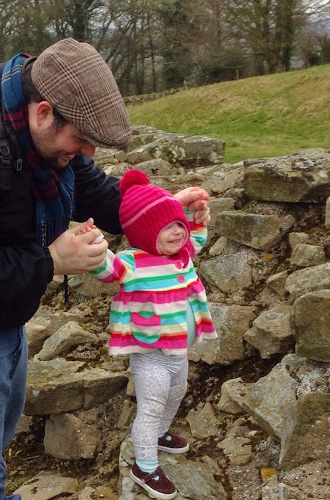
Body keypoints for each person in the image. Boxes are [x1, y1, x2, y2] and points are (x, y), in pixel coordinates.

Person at [0, 39, 210, 500]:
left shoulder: (43, 132)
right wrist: (52, 261)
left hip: (6, 301)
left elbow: (95, 192)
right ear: (44, 112)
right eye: (81, 139)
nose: (88, 152)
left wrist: (163, 211)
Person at [89, 169, 218, 500]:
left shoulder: (182, 254)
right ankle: (144, 466)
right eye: (167, 226)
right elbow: (106, 269)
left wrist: (196, 219)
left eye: (179, 224)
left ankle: (161, 434)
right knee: (152, 404)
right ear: (144, 231)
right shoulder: (132, 263)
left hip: (179, 353)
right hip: (150, 356)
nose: (177, 232)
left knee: (176, 393)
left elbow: (197, 238)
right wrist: (94, 245)